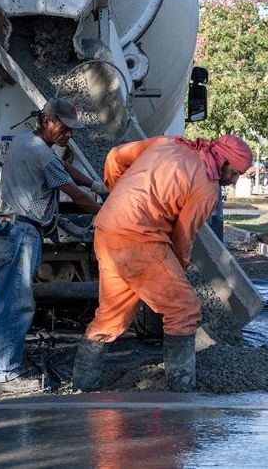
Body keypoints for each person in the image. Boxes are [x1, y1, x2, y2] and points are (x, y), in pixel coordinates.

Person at [72, 135, 252, 392]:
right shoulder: (207, 187)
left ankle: (83, 385)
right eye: (235, 173)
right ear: (222, 160)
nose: (234, 181)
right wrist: (177, 269)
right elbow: (183, 236)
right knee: (184, 308)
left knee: (112, 316)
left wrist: (117, 194)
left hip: (108, 227)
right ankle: (181, 390)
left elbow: (114, 155)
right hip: (139, 238)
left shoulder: (169, 144)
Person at [0, 98, 103, 393]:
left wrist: (94, 183)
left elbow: (63, 168)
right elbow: (73, 195)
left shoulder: (26, 142)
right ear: (48, 122)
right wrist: (106, 209)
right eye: (65, 128)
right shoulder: (42, 155)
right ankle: (4, 374)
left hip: (4, 227)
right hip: (22, 232)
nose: (69, 135)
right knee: (17, 304)